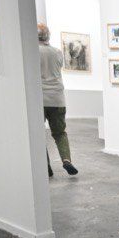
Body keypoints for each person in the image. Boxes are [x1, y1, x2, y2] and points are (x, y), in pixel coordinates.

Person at [37, 23, 78, 177]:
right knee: (60, 133)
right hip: (57, 98)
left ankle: (45, 165)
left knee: (38, 133)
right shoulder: (57, 52)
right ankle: (66, 160)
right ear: (48, 36)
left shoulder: (33, 52)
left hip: (40, 98)